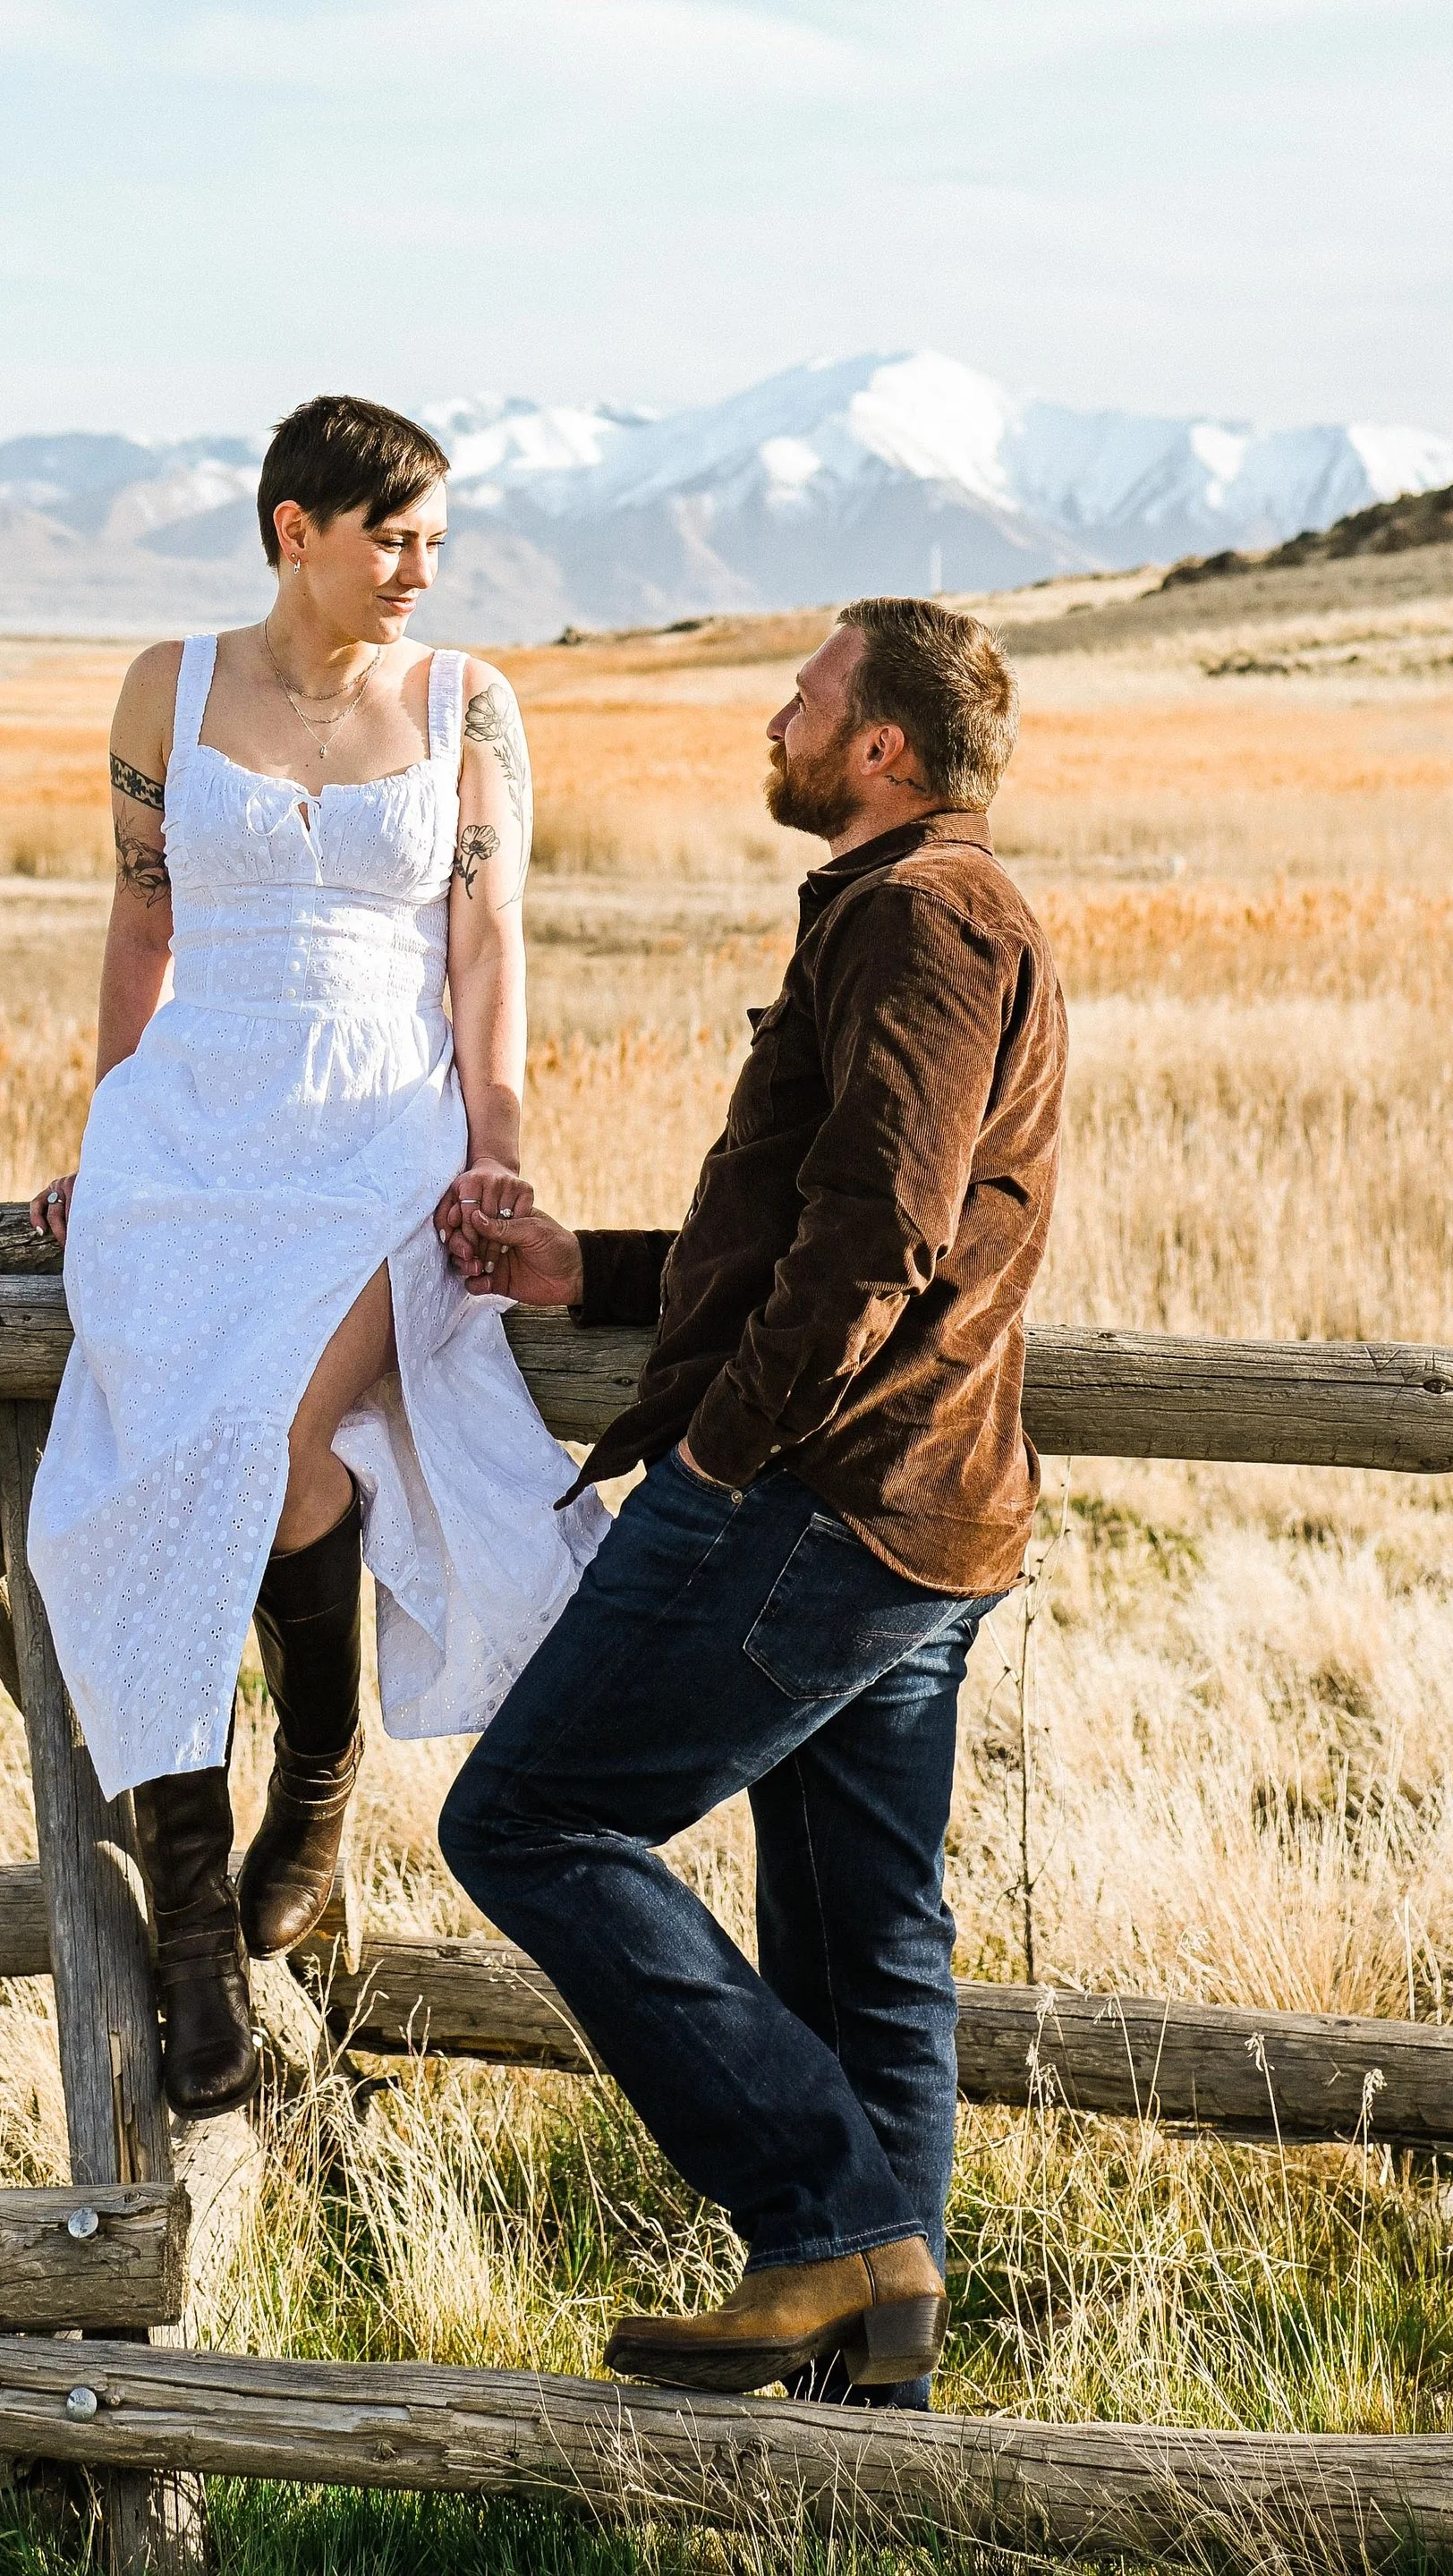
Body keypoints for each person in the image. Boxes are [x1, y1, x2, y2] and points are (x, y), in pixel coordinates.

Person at [439, 598, 1066, 2407]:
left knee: (529, 1825)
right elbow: (816, 1222)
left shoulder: (921, 916)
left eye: (800, 697)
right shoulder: (920, 913)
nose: (769, 720)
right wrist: (589, 1274)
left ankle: (818, 2227)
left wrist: (715, 1456)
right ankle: (868, 2395)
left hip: (817, 1502)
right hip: (916, 1513)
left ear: (877, 746)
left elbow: (879, 1237)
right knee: (863, 1950)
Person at [29, 393, 604, 2118]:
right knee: (159, 1472)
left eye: (439, 539)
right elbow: (144, 914)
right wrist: (102, 1132)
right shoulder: (168, 688)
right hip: (194, 1123)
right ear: (297, 527)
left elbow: (486, 936)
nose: (424, 568)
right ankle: (194, 1942)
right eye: (393, 537)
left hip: (378, 1126)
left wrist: (495, 1147)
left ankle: (326, 1774)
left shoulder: (470, 703)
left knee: (279, 1450)